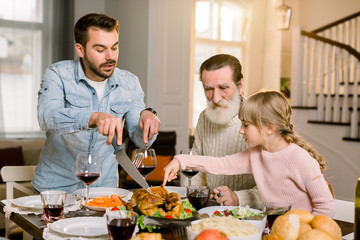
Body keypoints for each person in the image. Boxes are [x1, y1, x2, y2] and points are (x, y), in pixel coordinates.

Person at [33, 13, 161, 193]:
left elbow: (139, 139)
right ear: (80, 49)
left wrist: (148, 121)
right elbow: (47, 116)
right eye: (100, 50)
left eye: (114, 48)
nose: (110, 57)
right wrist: (93, 118)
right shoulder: (58, 74)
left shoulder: (130, 82)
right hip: (56, 189)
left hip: (103, 189)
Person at [164, 90, 335, 217]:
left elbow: (325, 207)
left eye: (246, 125)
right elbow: (220, 164)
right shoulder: (256, 155)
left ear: (269, 127)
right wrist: (180, 161)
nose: (240, 131)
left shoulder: (299, 158)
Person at [188, 54, 261, 208]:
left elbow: (278, 186)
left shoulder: (260, 118)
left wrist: (239, 198)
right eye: (208, 89)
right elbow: (196, 170)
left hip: (251, 216)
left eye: (223, 88)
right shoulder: (204, 117)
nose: (215, 99)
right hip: (212, 210)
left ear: (241, 85)